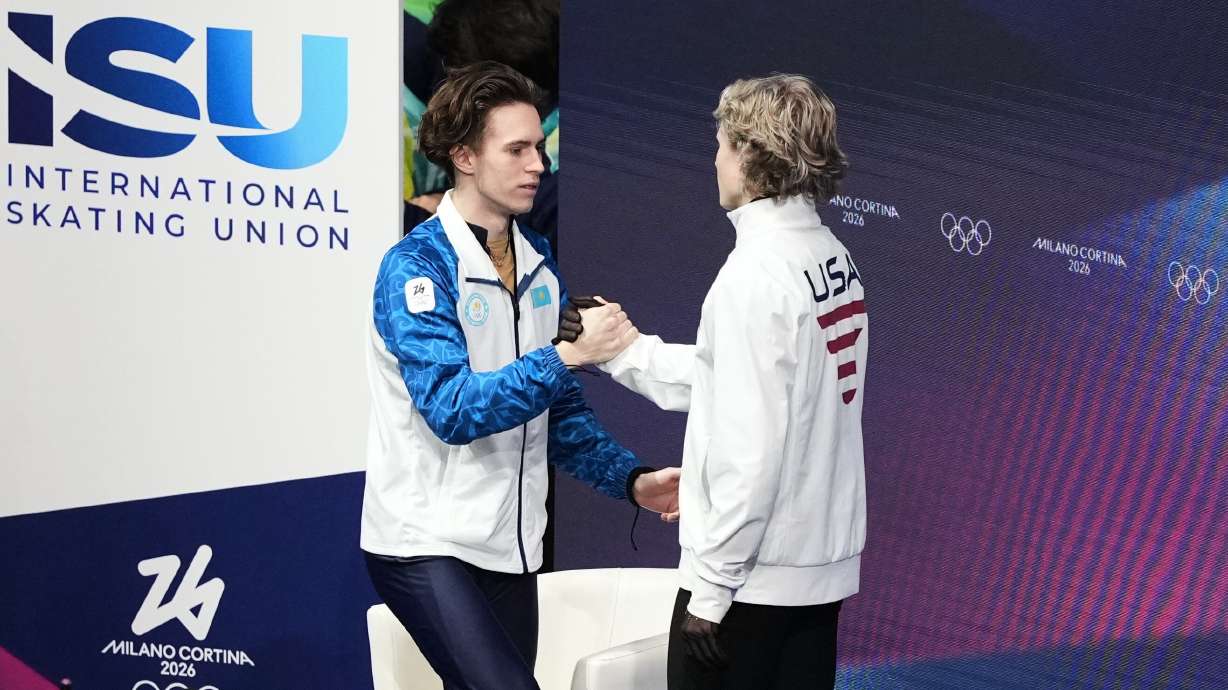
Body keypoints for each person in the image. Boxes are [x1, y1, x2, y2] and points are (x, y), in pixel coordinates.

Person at [361, 61, 680, 690]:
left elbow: (557, 412)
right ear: (464, 156)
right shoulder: (415, 267)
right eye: (517, 149)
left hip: (512, 549)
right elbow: (452, 410)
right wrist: (566, 356)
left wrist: (632, 481)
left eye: (539, 147)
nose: (539, 164)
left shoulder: (538, 263)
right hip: (424, 543)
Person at [593, 74, 865, 689]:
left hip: (747, 588)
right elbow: (743, 386)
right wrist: (626, 353)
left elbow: (752, 448)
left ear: (750, 153)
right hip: (810, 579)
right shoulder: (828, 255)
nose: (715, 160)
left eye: (720, 144)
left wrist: (711, 592)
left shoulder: (753, 277)